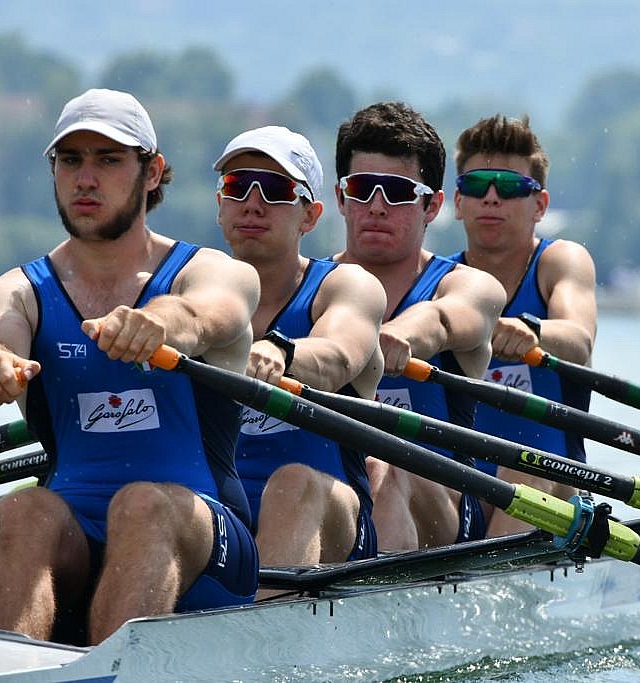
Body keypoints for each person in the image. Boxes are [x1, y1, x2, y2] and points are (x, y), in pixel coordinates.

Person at [0, 89, 261, 644]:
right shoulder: (14, 292)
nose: (86, 179)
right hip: (75, 547)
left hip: (206, 542)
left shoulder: (214, 271)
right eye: (70, 160)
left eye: (109, 159)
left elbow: (205, 313)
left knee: (142, 503)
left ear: (153, 172)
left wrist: (161, 322)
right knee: (20, 512)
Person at [212, 126, 386, 587]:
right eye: (236, 187)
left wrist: (281, 350)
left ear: (310, 216)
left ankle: (262, 640)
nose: (252, 203)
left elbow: (338, 355)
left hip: (328, 518)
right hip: (222, 517)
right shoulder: (191, 289)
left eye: (274, 190)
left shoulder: (347, 286)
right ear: (220, 207)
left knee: (291, 484)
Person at [331, 102, 506, 551]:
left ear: (432, 206)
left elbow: (442, 318)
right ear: (340, 198)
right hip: (329, 493)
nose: (376, 206)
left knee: (387, 465)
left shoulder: (468, 285)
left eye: (397, 192)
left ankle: (375, 606)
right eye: (363, 188)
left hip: (440, 506)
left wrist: (395, 338)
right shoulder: (310, 287)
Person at [450, 114, 597, 536]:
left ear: (540, 205)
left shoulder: (558, 262)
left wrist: (533, 332)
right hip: (465, 485)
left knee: (522, 469)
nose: (491, 198)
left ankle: (483, 591)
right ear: (458, 204)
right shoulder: (442, 280)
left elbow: (578, 338)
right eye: (476, 186)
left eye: (511, 187)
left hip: (551, 481)